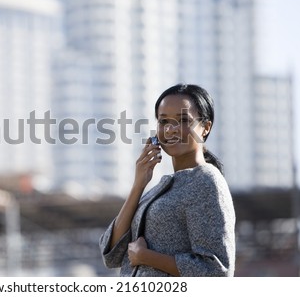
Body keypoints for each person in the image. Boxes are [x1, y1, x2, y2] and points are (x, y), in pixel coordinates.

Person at [99, 83, 235, 276]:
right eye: (164, 122)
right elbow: (111, 255)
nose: (171, 129)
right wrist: (139, 185)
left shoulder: (206, 181)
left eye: (183, 120)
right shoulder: (160, 188)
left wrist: (147, 257)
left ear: (205, 127)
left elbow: (217, 271)